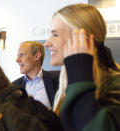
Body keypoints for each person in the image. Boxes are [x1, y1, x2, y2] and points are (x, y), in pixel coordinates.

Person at [44, 3, 120, 131]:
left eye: (55, 35)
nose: (47, 43)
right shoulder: (65, 82)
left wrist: (79, 71)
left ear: (82, 38)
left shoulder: (115, 87)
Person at [12, 41, 59, 109]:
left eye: (22, 55)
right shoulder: (14, 87)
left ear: (37, 56)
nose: (17, 60)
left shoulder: (58, 78)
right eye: (17, 55)